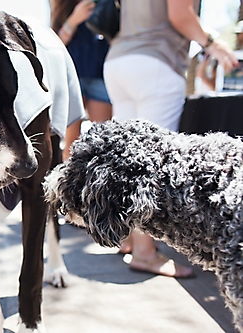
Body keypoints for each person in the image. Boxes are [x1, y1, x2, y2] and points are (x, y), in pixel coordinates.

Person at [103, 0, 238, 278]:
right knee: (152, 162)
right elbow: (180, 15)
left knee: (126, 159)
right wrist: (212, 43)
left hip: (119, 60)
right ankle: (144, 252)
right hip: (155, 62)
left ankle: (127, 238)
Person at [50, 0, 112, 159]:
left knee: (103, 141)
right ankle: (69, 182)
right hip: (72, 78)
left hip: (100, 75)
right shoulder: (63, 6)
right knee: (71, 142)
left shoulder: (104, 3)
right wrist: (74, 19)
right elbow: (54, 45)